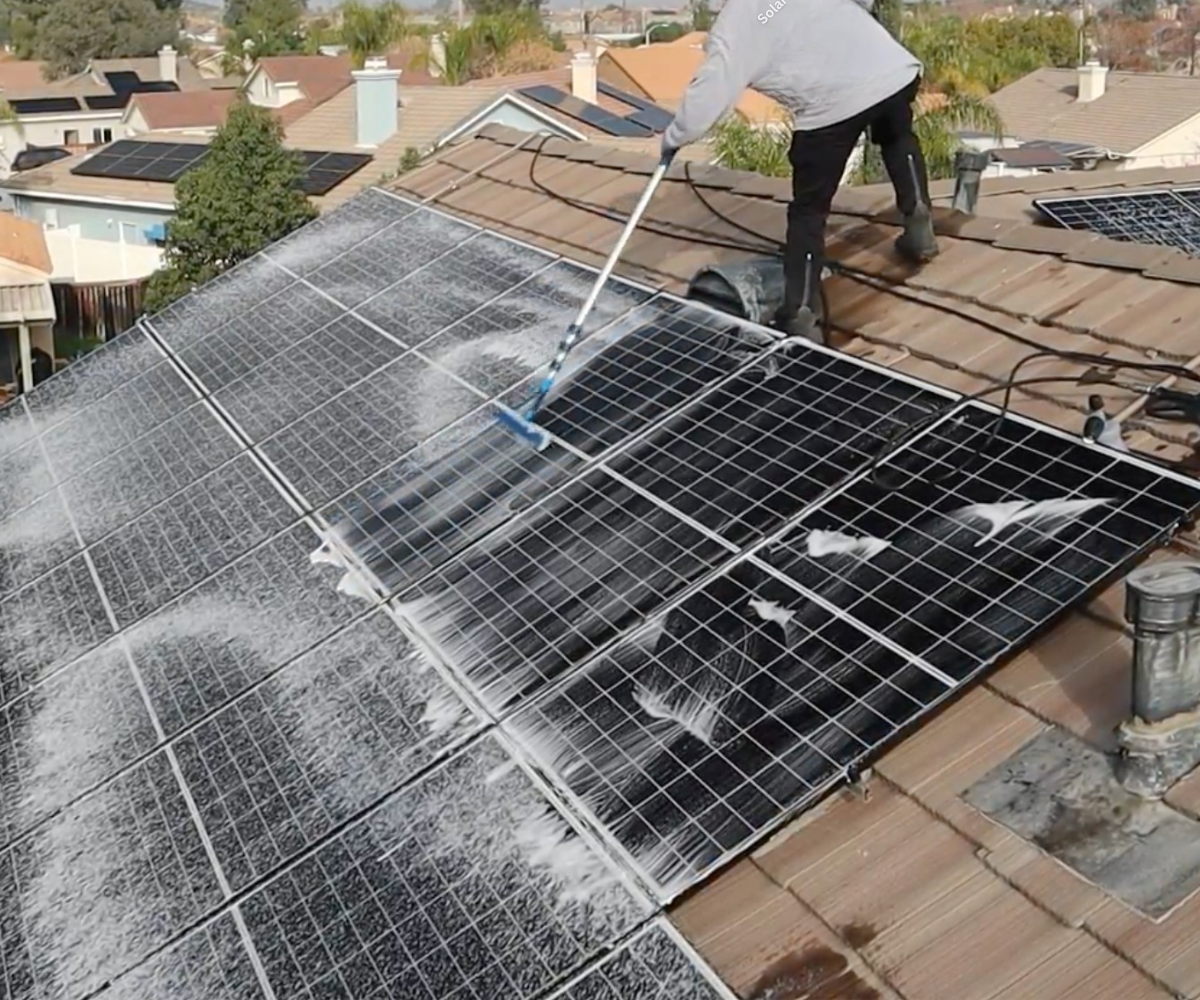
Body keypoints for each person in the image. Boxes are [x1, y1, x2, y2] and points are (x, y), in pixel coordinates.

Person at [661, 0, 940, 344]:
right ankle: (918, 217)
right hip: (891, 71)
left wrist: (673, 138)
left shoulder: (738, 25)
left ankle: (801, 312)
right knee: (897, 136)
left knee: (809, 210)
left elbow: (710, 93)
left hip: (832, 106)